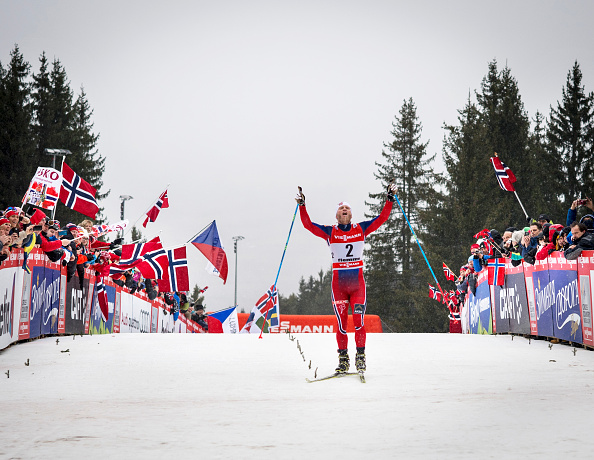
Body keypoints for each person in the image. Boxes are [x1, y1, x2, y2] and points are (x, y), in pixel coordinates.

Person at [296, 183, 396, 373]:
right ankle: (343, 359)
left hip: (357, 286)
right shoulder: (329, 231)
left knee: (358, 320)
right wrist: (302, 205)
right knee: (341, 324)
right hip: (339, 286)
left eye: (347, 208)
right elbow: (308, 225)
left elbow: (382, 218)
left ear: (351, 214)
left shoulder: (361, 228)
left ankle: (360, 357)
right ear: (336, 215)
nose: (344, 209)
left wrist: (389, 199)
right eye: (341, 208)